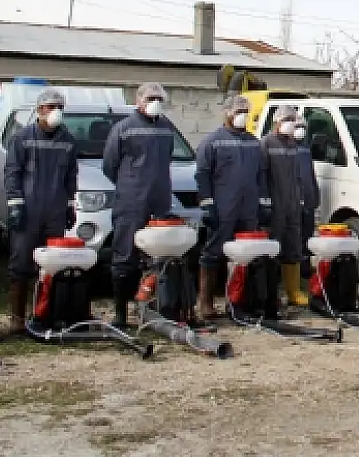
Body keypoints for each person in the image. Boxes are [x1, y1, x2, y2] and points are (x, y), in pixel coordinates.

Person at [3, 88, 79, 336]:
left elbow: (71, 176)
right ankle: (16, 319)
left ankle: (43, 315)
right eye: (50, 106)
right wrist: (15, 204)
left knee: (51, 265)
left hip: (55, 212)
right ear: (39, 110)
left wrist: (70, 205)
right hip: (28, 210)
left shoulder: (68, 141)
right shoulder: (22, 138)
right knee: (21, 264)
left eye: (59, 107)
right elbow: (12, 172)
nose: (56, 111)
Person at [101, 82, 177, 329]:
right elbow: (109, 165)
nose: (155, 102)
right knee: (125, 256)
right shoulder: (123, 128)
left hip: (160, 201)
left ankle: (155, 307)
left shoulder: (167, 127)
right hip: (131, 202)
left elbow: (167, 159)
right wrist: (130, 185)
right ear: (139, 101)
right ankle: (121, 313)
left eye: (159, 98)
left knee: (159, 257)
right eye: (151, 98)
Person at [194, 95, 269, 320]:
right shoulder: (212, 142)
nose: (242, 116)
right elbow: (202, 175)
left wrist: (264, 204)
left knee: (244, 255)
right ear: (226, 113)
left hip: (248, 209)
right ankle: (205, 303)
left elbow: (261, 175)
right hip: (223, 207)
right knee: (212, 254)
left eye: (246, 111)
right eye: (238, 111)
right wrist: (207, 204)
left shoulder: (254, 143)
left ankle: (237, 301)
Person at [261, 106, 307, 305]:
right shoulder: (266, 143)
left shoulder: (293, 145)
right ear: (277, 121)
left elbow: (298, 176)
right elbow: (262, 174)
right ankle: (272, 292)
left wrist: (301, 198)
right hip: (275, 204)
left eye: (293, 119)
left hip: (292, 205)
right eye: (287, 119)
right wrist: (264, 201)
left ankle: (293, 291)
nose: (290, 123)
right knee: (273, 248)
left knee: (293, 247)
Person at [293, 116, 320, 278]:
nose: (300, 130)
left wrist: (315, 194)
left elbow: (310, 173)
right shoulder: (286, 148)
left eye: (303, 126)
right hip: (293, 201)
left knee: (307, 235)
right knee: (295, 236)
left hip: (308, 199)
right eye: (297, 126)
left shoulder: (305, 148)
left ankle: (304, 267)